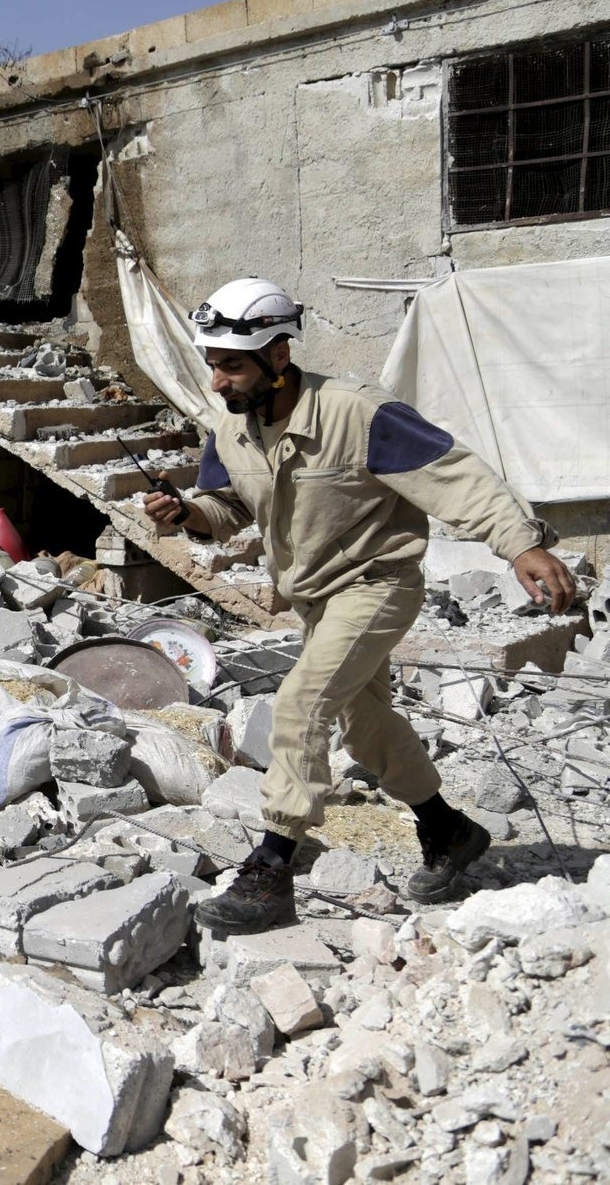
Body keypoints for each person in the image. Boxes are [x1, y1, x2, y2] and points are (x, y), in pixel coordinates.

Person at [142, 278, 576, 933]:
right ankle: (447, 828)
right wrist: (185, 514)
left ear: (278, 357)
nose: (217, 382)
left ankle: (272, 868)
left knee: (301, 703)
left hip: (377, 586)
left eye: (232, 365)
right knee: (363, 724)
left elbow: (455, 475)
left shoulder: (356, 412)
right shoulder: (229, 429)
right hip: (314, 601)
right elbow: (225, 507)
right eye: (212, 364)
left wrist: (520, 544)